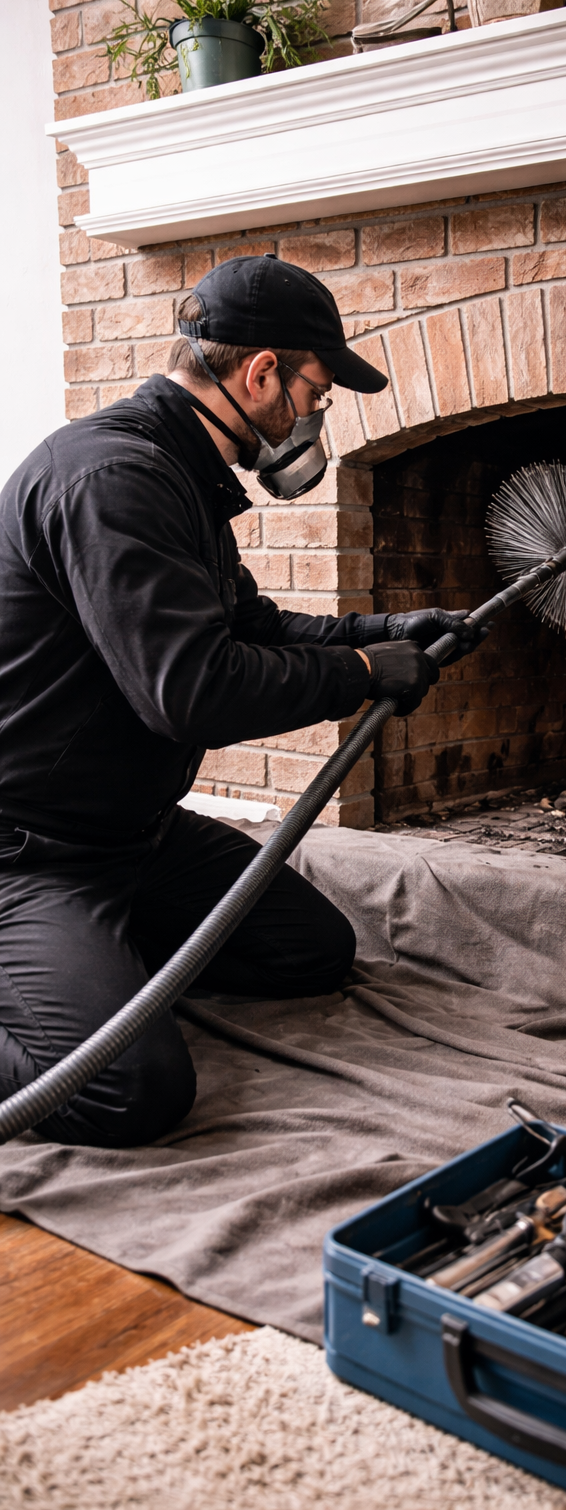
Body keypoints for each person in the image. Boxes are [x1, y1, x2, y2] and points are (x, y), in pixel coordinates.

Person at [0, 254, 488, 1148]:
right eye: (315, 392)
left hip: (129, 838)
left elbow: (251, 629)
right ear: (261, 372)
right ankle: (59, 985)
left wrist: (390, 633)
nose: (313, 415)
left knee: (309, 953)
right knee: (131, 1092)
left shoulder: (178, 475)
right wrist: (368, 676)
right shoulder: (113, 479)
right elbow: (190, 694)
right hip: (30, 853)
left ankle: (88, 972)